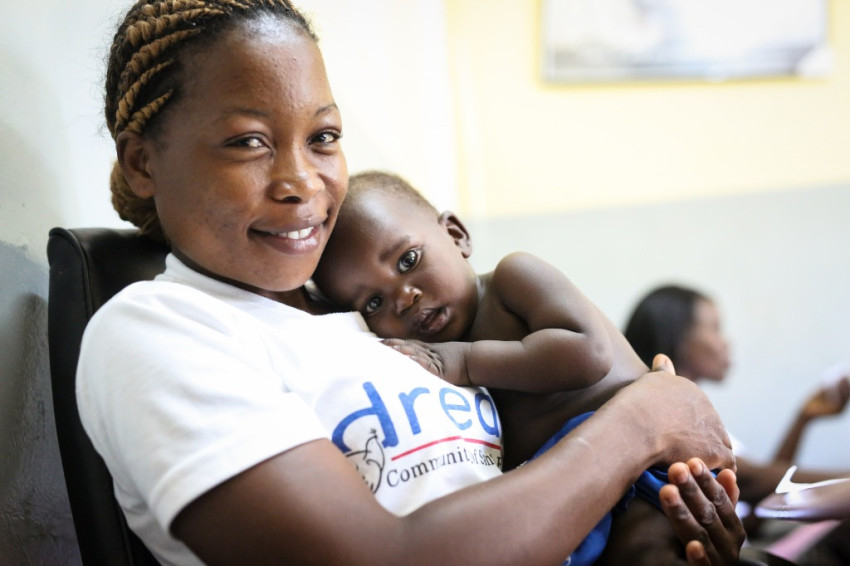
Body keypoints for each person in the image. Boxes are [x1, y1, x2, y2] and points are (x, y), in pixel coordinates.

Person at [77, 1, 744, 564]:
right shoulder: (159, 330)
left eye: (324, 136)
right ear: (142, 162)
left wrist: (673, 522)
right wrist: (642, 425)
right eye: (249, 141)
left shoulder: (368, 316)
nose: (302, 183)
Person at [310, 170, 676, 565]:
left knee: (647, 551)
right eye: (373, 303)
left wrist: (466, 361)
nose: (404, 297)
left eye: (408, 260)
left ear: (456, 235)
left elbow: (589, 352)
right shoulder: (426, 364)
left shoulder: (512, 281)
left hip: (641, 467)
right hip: (571, 495)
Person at [624, 284, 850, 533]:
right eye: (715, 328)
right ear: (678, 336)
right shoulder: (669, 421)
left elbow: (756, 508)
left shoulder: (699, 419)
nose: (725, 343)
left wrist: (803, 418)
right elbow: (753, 482)